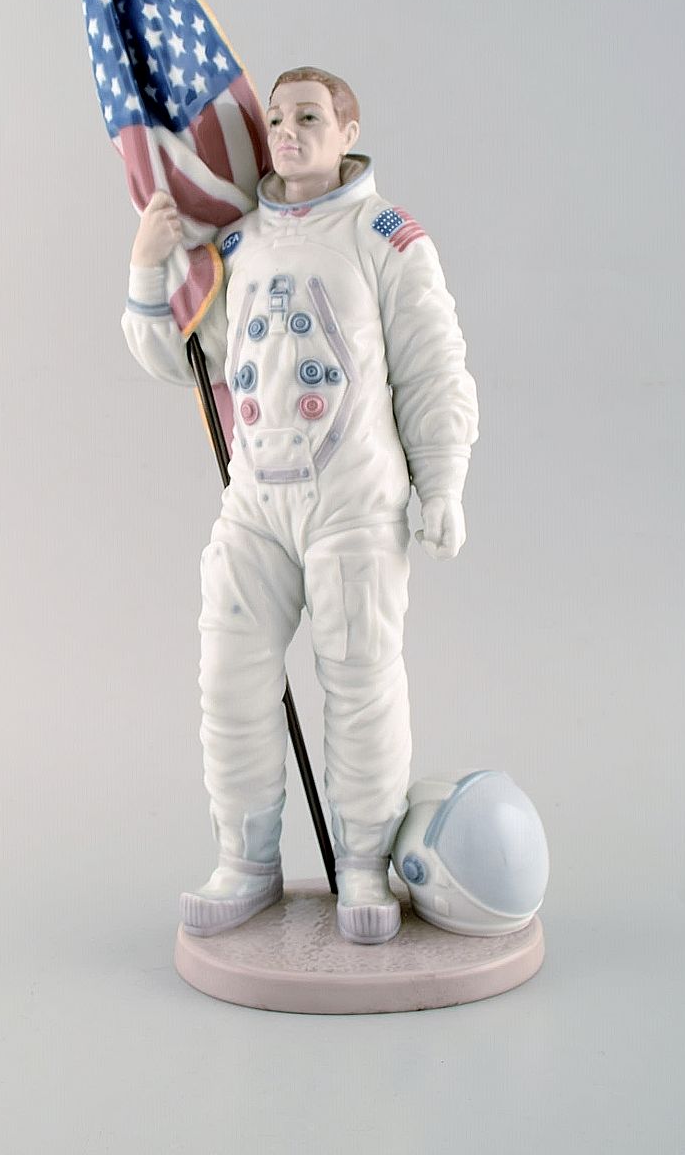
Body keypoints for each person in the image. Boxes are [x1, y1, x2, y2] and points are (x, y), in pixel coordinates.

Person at [122, 68, 478, 944]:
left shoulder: (385, 238)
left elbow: (432, 366)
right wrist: (146, 270)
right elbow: (185, 361)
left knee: (360, 680)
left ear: (348, 131)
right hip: (255, 507)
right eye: (276, 117)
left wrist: (441, 481)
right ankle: (245, 861)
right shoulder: (238, 245)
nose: (285, 131)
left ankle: (360, 865)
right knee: (229, 678)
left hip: (353, 504)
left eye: (308, 117)